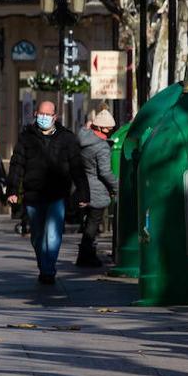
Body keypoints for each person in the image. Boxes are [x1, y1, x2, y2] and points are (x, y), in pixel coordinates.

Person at [6, 100, 90, 284]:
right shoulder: (26, 137)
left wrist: (84, 192)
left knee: (53, 234)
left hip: (57, 194)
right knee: (37, 236)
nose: (43, 117)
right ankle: (44, 263)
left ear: (55, 116)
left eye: (48, 114)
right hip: (33, 194)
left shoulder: (67, 138)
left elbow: (77, 167)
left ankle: (48, 270)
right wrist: (12, 189)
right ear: (35, 114)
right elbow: (17, 164)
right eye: (40, 114)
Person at [76, 108, 118, 267]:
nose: (110, 132)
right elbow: (105, 172)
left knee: (88, 224)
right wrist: (116, 186)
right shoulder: (101, 147)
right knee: (93, 225)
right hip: (97, 190)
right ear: (100, 128)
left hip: (83, 188)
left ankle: (84, 256)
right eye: (108, 128)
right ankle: (87, 256)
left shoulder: (83, 139)